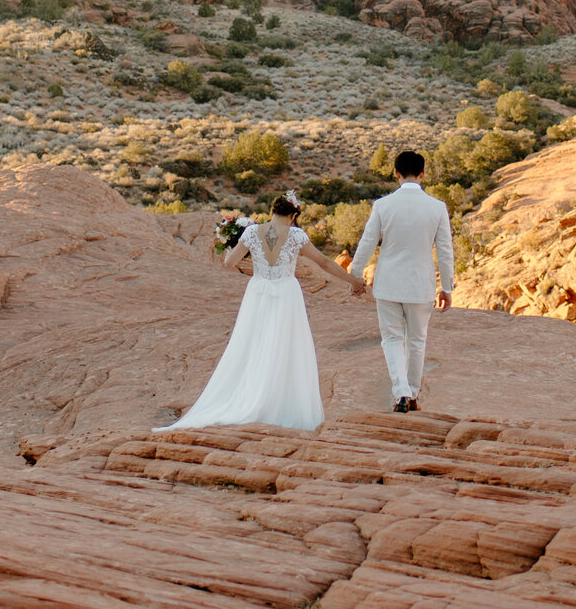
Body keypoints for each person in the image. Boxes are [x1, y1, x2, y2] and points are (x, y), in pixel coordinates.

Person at [161, 194, 365, 431]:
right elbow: (325, 263)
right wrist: (354, 281)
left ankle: (250, 397)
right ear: (293, 216)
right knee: (285, 347)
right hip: (286, 293)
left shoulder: (250, 232)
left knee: (253, 344)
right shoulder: (296, 235)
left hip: (258, 292)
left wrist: (235, 244)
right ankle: (276, 403)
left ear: (271, 212)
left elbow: (229, 263)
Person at [349, 150, 454, 413]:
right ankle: (413, 393)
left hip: (388, 283)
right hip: (421, 284)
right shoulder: (437, 207)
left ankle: (401, 393)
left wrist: (355, 275)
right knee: (417, 340)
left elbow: (367, 242)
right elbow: (445, 249)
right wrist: (447, 286)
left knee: (392, 339)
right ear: (423, 174)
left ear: (396, 173)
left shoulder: (383, 206)